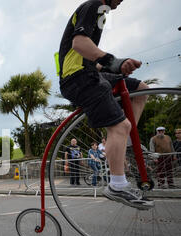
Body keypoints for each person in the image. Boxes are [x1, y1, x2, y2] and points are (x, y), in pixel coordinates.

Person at [58, 0, 153, 209]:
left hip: (91, 73)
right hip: (77, 78)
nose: (121, 2)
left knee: (141, 89)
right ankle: (117, 185)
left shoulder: (101, 14)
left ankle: (126, 141)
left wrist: (117, 67)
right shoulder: (94, 6)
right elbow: (79, 44)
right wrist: (114, 61)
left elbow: (94, 61)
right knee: (119, 125)